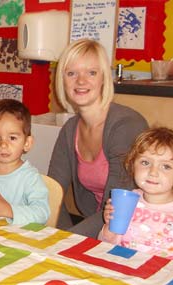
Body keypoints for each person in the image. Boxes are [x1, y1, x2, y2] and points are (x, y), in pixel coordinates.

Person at [48, 39, 148, 238]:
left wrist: (66, 241)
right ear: (62, 80)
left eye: (91, 72)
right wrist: (59, 235)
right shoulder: (70, 129)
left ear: (104, 78)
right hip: (99, 227)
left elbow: (118, 209)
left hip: (137, 229)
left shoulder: (126, 126)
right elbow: (52, 193)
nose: (81, 81)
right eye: (71, 73)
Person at [99, 127, 173, 264]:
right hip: (124, 270)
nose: (153, 172)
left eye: (166, 166)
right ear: (132, 165)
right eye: (145, 162)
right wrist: (109, 226)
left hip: (163, 280)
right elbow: (105, 245)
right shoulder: (128, 201)